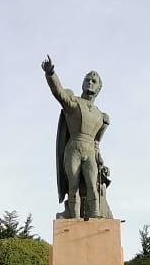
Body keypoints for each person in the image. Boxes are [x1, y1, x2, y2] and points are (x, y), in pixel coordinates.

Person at [42, 56, 112, 220]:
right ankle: (73, 219)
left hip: (89, 151)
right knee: (73, 186)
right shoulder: (73, 102)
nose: (90, 82)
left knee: (91, 186)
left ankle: (95, 219)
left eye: (94, 81)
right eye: (87, 79)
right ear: (82, 83)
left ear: (99, 87)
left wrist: (100, 159)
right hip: (73, 147)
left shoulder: (101, 116)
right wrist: (50, 73)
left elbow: (96, 142)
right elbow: (58, 92)